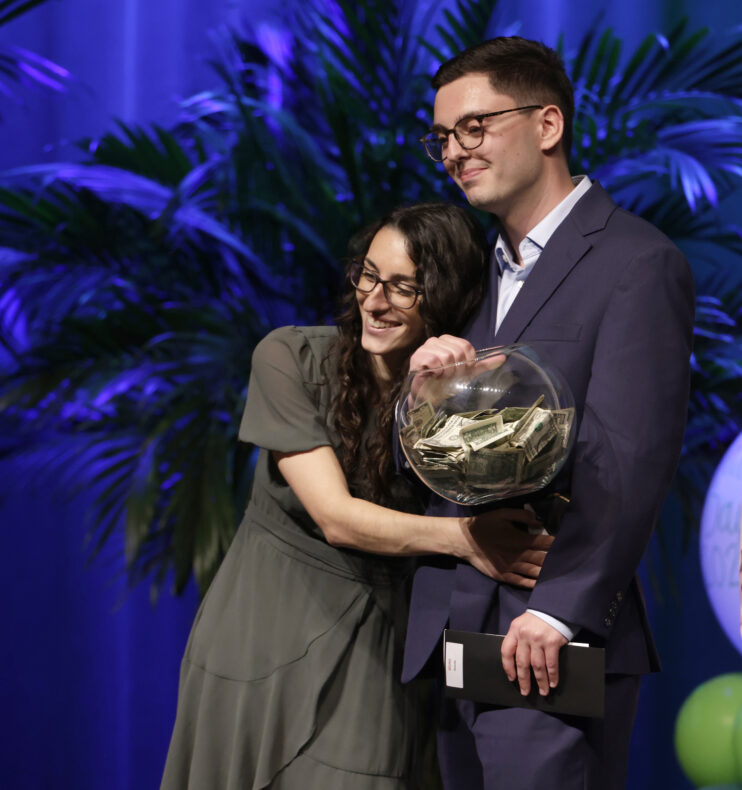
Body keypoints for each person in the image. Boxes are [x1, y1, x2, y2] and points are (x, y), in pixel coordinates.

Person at [160, 202, 553, 790]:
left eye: (403, 287)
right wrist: (466, 542)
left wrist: (436, 397)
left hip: (383, 637)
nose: (374, 300)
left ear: (444, 297)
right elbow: (336, 517)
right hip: (262, 628)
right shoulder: (288, 357)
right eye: (368, 275)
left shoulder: (461, 396)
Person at [404, 37, 696, 789]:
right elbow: (447, 450)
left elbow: (630, 453)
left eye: (474, 127)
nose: (454, 152)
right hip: (454, 632)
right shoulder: (469, 277)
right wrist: (424, 391)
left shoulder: (636, 260)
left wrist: (561, 611)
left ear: (548, 124)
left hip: (546, 638)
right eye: (442, 137)